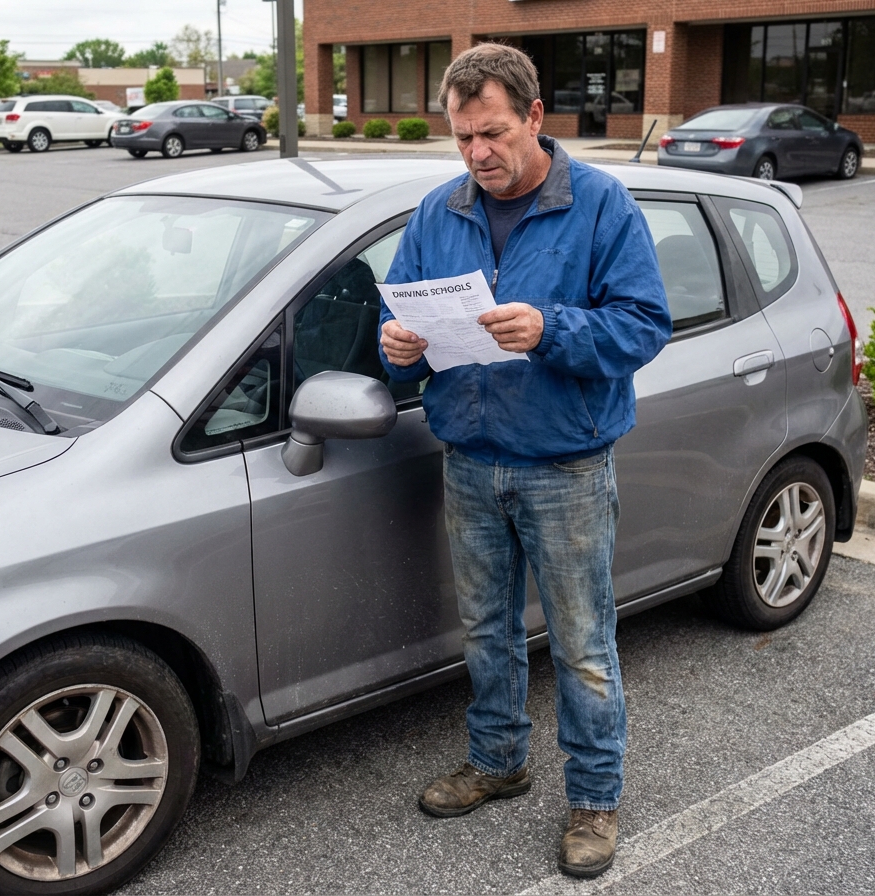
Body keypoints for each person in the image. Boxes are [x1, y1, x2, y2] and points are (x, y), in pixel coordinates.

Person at [377, 43, 672, 878]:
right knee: (487, 630)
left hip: (566, 465)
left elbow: (646, 326)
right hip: (468, 459)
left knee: (581, 642)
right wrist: (396, 346)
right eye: (463, 135)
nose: (478, 153)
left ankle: (595, 799)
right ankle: (499, 761)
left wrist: (551, 330)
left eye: (494, 133)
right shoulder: (439, 212)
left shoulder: (602, 205)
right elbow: (398, 330)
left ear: (535, 118)